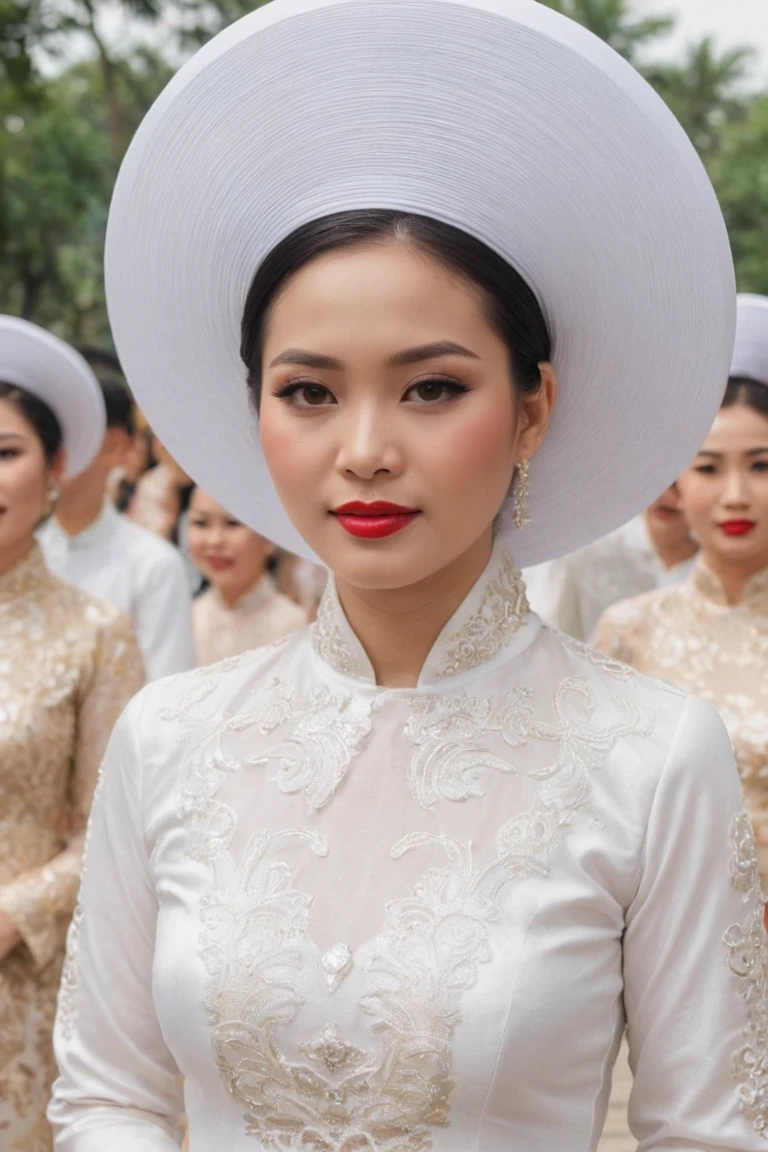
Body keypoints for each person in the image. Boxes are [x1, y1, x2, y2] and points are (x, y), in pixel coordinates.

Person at [49, 2, 764, 1149]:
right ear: (254, 411)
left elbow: (707, 1130)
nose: (366, 447)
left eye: (432, 387)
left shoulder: (651, 753)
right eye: (310, 391)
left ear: (533, 406)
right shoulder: (168, 740)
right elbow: (109, 1097)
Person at [0, 316, 144, 1150]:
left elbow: (117, 829)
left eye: (5, 452)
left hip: (25, 985)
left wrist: (18, 910)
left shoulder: (93, 633)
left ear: (56, 469)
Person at [594, 293, 768, 885]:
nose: (737, 495)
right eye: (710, 467)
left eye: (762, 465)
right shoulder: (628, 631)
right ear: (677, 482)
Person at [39, 378, 194, 680]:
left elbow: (165, 700)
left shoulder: (154, 566)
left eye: (58, 436)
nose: (47, 455)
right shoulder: (18, 553)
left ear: (114, 445)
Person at [523, 484, 699, 641]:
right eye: (659, 478)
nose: (665, 493)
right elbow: (547, 635)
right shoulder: (584, 550)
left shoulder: (717, 567)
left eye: (679, 482)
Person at [187, 486, 307, 665]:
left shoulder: (296, 627)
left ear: (269, 535)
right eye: (201, 523)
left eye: (233, 523)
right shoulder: (185, 620)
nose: (214, 540)